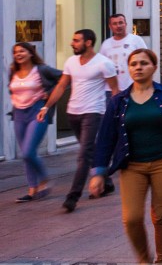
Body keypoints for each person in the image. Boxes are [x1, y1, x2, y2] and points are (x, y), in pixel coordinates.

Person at [90, 48, 162, 265]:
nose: (138, 67)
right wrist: (99, 172)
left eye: (143, 63)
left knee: (160, 216)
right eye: (133, 64)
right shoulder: (119, 101)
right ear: (128, 69)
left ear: (153, 67)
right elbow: (106, 137)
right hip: (132, 165)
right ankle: (143, 259)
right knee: (131, 218)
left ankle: (161, 262)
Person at [37, 29, 119, 211]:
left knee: (84, 155)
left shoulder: (104, 64)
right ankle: (106, 181)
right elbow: (61, 86)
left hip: (93, 112)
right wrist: (46, 106)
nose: (71, 43)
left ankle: (72, 197)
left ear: (88, 42)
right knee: (89, 151)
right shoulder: (71, 62)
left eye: (76, 40)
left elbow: (115, 90)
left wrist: (115, 114)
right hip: (73, 113)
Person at [9, 43, 61, 203]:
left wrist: (49, 93)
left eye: (22, 51)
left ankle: (44, 179)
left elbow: (65, 78)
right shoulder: (13, 71)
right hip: (19, 114)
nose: (18, 54)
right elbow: (11, 89)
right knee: (26, 155)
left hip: (38, 112)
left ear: (31, 53)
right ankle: (32, 190)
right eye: (16, 52)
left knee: (28, 152)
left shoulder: (42, 70)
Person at [99, 13, 147, 92]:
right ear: (110, 26)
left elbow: (146, 60)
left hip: (132, 88)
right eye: (115, 24)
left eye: (121, 23)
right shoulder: (105, 44)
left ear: (125, 24)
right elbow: (102, 66)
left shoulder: (136, 40)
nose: (118, 26)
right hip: (110, 90)